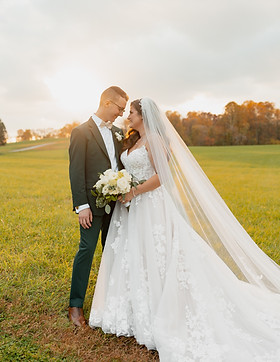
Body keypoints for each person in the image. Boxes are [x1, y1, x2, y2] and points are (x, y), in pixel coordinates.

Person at [89, 98, 280, 361]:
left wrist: (133, 191)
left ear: (144, 115)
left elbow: (162, 176)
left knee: (161, 256)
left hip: (151, 205)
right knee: (136, 255)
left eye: (131, 112)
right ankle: (136, 310)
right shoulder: (133, 139)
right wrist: (121, 185)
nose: (128, 116)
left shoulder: (154, 139)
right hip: (132, 207)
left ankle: (165, 309)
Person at [68, 86, 128, 327]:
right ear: (106, 103)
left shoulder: (118, 132)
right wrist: (82, 206)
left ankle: (111, 302)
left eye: (125, 110)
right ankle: (75, 305)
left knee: (113, 250)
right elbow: (76, 172)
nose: (121, 114)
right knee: (87, 250)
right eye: (119, 108)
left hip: (117, 205)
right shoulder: (80, 132)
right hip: (91, 206)